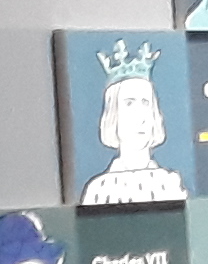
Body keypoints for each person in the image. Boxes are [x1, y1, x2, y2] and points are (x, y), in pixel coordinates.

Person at [79, 41, 186, 206]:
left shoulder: (171, 185)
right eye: (129, 103)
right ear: (113, 114)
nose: (140, 116)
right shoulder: (98, 190)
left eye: (145, 103)